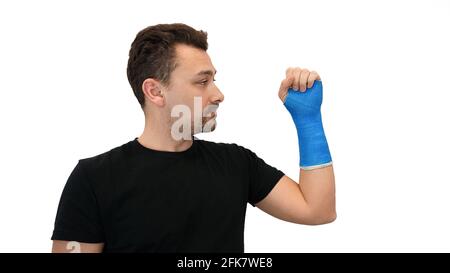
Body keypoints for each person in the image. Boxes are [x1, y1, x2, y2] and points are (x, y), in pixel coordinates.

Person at [51, 23, 336, 253]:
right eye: (202, 82)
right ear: (155, 91)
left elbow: (318, 210)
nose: (218, 94)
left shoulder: (236, 164)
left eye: (214, 80)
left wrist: (308, 120)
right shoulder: (94, 178)